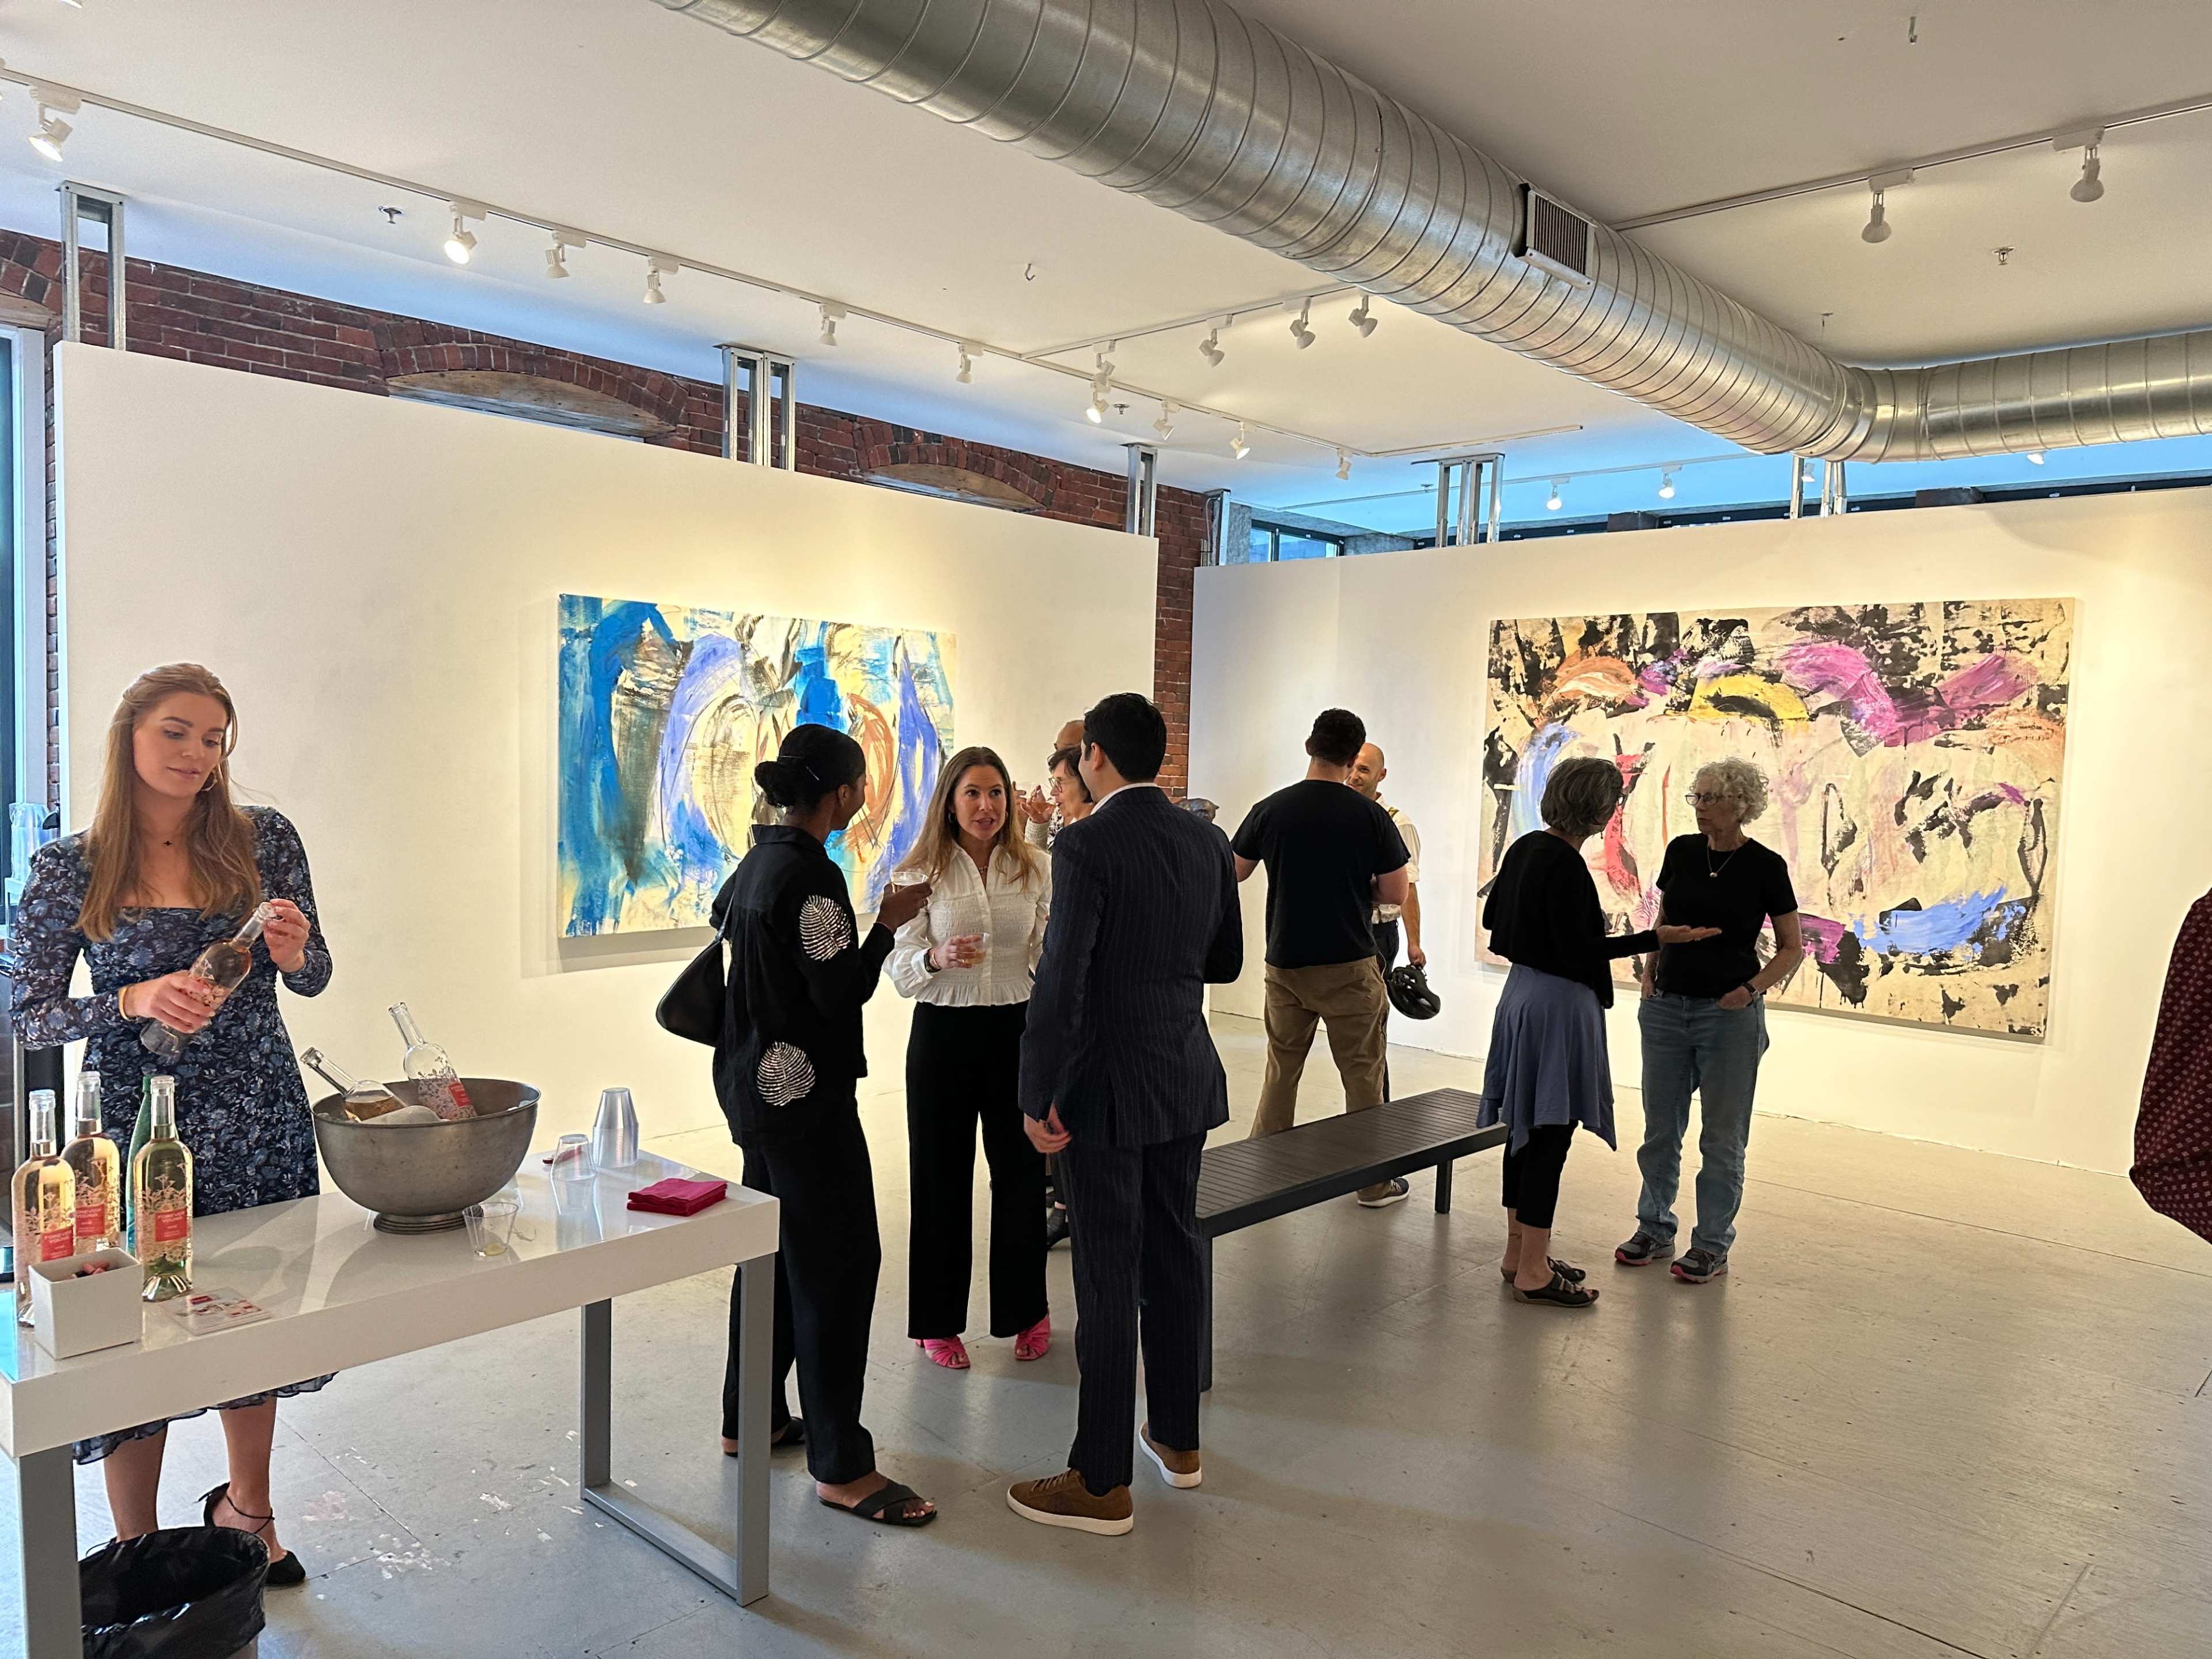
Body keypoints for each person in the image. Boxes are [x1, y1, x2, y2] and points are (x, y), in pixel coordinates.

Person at [11, 663, 332, 1585]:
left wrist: (297, 953)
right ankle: (138, 1545)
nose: (198, 753)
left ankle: (249, 1510)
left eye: (214, 738)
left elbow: (315, 977)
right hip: (130, 1123)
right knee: (128, 1322)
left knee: (256, 1310)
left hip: (257, 1108)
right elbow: (29, 1014)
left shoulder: (264, 841)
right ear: (130, 735)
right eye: (177, 732)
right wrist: (132, 997)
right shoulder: (70, 867)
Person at [1006, 693, 1243, 1536]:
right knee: (1173, 1255)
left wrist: (1036, 1093)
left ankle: (1101, 1481)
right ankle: (1177, 1440)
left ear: (1095, 757)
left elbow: (1061, 979)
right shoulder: (1206, 840)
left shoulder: (1088, 843)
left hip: (1103, 1087)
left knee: (1107, 1276)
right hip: (1182, 1073)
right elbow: (1225, 961)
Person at [710, 722, 938, 1526]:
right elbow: (839, 990)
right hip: (803, 1102)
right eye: (860, 786)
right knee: (838, 1266)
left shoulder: (755, 861)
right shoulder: (811, 876)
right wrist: (889, 925)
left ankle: (751, 1417)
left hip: (752, 1089)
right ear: (841, 795)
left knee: (770, 1254)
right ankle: (841, 1467)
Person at [1480, 756, 1717, 1309]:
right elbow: (1578, 950)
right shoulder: (1564, 864)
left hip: (1521, 996)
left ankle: (1520, 1255)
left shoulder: (1526, 849)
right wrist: (1657, 939)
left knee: (1524, 1129)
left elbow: (1496, 924)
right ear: (1599, 808)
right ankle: (1533, 1270)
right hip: (1558, 1007)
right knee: (1549, 1135)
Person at [887, 746, 1053, 1368]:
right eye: (974, 794)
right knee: (939, 1181)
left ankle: (1027, 1311)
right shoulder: (918, 871)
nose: (987, 806)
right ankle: (936, 1322)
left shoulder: (1035, 866)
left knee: (1020, 1177)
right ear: (950, 803)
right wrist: (933, 958)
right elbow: (898, 967)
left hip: (1016, 1030)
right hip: (943, 1036)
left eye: (997, 793)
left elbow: (1047, 951)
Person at [1619, 757, 1804, 1284]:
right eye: (1696, 798)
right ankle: (1654, 1227)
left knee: (1722, 1139)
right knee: (1660, 1130)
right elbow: (1664, 918)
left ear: (1740, 805)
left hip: (1729, 1018)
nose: (1699, 808)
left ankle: (1711, 1245)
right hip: (1666, 1009)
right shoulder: (1682, 851)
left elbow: (1792, 947)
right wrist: (1650, 971)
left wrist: (1750, 991)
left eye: (1710, 798)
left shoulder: (1765, 866)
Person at [1230, 709, 1411, 1206]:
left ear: (1310, 746)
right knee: (1363, 1076)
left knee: (1281, 1070)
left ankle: (1266, 1174)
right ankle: (1371, 1183)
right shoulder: (1370, 816)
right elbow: (1396, 891)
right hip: (1349, 964)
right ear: (1353, 757)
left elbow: (1234, 871)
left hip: (1285, 963)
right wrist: (1356, 888)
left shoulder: (1271, 809)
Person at [1038, 743, 1092, 1249]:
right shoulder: (1068, 831)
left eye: (1061, 782)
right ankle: (1064, 1202)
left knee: (1066, 1101)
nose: (1055, 791)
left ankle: (1068, 1205)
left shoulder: (1086, 839)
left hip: (1079, 997)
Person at [1349, 741, 1423, 971]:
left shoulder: (1397, 823)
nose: (1354, 776)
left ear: (1381, 775)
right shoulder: (1336, 817)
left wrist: (1414, 944)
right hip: (1341, 927)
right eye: (1351, 767)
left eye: (1363, 769)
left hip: (1377, 933)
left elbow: (1407, 886)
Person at [1021, 718, 1088, 850]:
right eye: (1057, 748)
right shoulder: (1056, 808)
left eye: (1068, 750)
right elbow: (1039, 859)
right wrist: (1039, 823)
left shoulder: (1100, 812)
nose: (1058, 756)